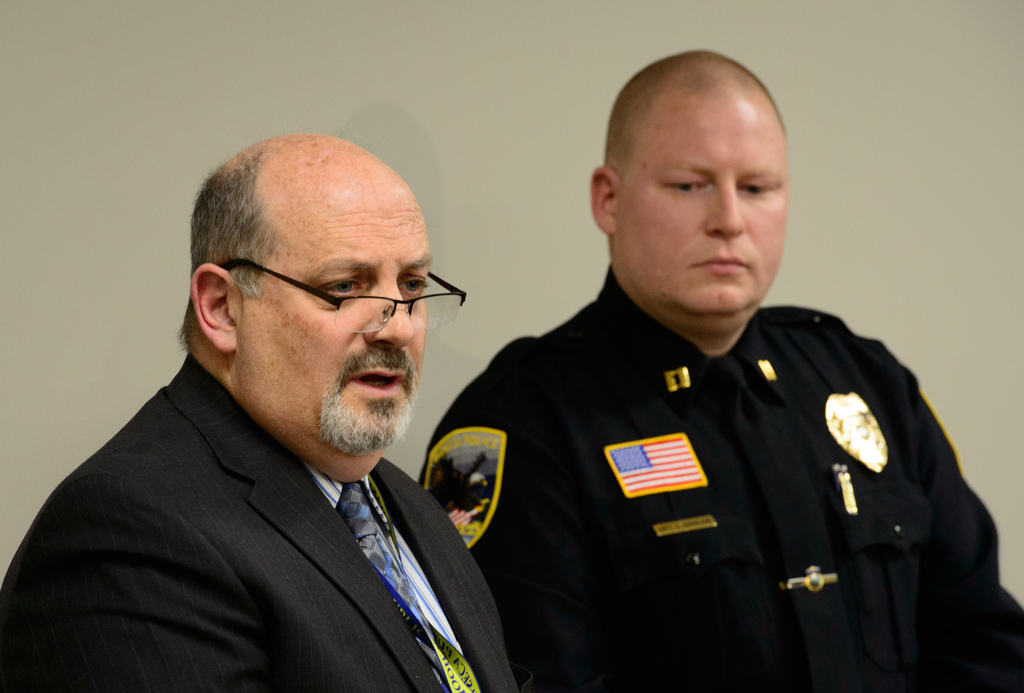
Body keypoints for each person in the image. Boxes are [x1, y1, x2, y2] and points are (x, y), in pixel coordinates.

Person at [423, 52, 1024, 692]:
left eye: (757, 188)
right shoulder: (524, 423)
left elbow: (982, 645)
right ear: (609, 199)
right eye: (690, 185)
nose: (729, 220)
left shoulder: (866, 380)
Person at [0, 134, 530, 693]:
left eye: (413, 285)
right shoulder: (130, 531)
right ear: (221, 308)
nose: (398, 325)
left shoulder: (410, 509)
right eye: (344, 287)